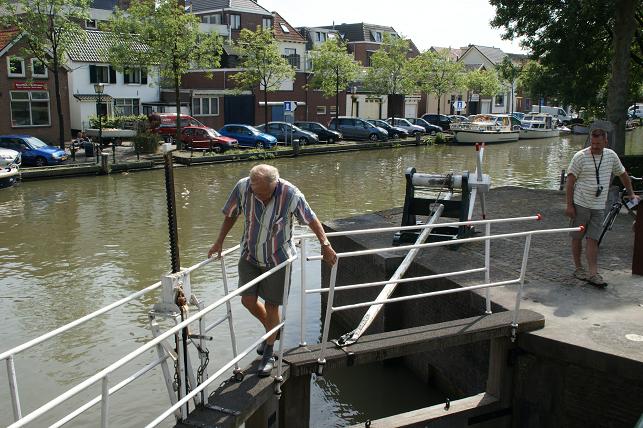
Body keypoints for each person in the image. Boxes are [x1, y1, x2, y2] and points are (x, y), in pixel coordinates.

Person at [208, 164, 337, 376]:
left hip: (278, 258)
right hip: (249, 255)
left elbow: (311, 218)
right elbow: (231, 214)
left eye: (264, 193)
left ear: (274, 185)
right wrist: (219, 242)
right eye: (255, 192)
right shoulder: (243, 188)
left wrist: (325, 244)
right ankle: (274, 329)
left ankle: (268, 352)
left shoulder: (291, 194)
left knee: (272, 306)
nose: (259, 196)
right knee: (247, 300)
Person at [565, 128, 639, 287]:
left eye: (598, 143)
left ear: (606, 142)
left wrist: (631, 194)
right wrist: (569, 205)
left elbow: (623, 174)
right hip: (581, 204)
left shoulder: (611, 156)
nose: (595, 146)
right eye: (593, 143)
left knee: (593, 239)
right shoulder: (580, 157)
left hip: (598, 206)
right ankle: (578, 268)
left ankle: (593, 273)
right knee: (577, 237)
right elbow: (570, 182)